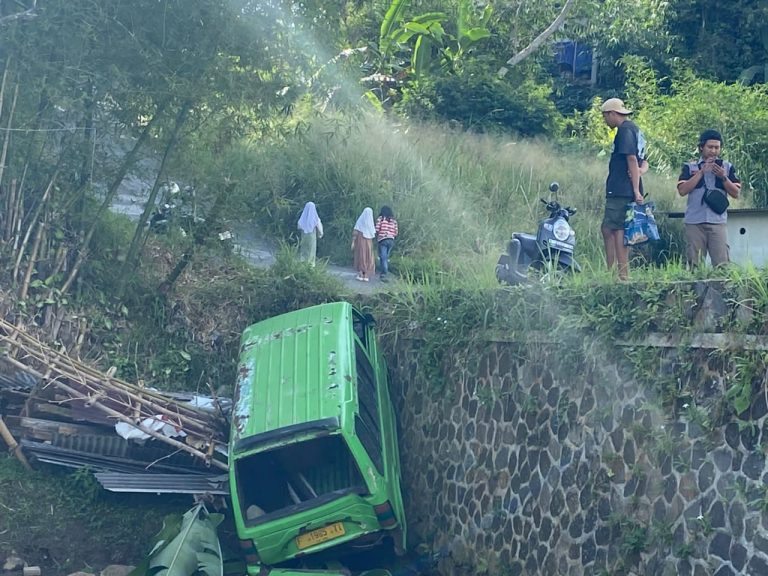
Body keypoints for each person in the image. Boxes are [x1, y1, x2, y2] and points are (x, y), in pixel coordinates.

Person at [600, 97, 648, 281]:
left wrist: (636, 190)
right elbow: (644, 162)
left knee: (614, 229)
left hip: (621, 189)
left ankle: (619, 274)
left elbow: (632, 160)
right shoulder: (636, 130)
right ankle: (616, 272)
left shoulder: (625, 131)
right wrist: (640, 174)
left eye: (605, 117)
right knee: (613, 228)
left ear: (612, 114)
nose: (605, 121)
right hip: (624, 187)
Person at [677, 129, 741, 266]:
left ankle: (721, 288)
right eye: (710, 147)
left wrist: (723, 177)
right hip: (694, 221)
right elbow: (682, 190)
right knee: (695, 264)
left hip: (717, 221)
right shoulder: (690, 167)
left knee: (722, 264)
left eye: (717, 147)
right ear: (701, 147)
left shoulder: (727, 167)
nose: (713, 151)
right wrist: (701, 172)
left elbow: (736, 193)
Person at [375, 206, 399, 282]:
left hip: (383, 239)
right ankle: (384, 270)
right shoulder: (394, 221)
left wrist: (380, 235)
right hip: (391, 240)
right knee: (386, 256)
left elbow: (377, 229)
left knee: (383, 256)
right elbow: (396, 232)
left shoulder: (381, 219)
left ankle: (384, 272)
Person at [352, 207, 376, 281]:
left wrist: (353, 242)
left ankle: (360, 273)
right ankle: (366, 275)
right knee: (368, 257)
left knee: (360, 256)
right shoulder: (371, 226)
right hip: (369, 244)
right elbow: (373, 233)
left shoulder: (360, 222)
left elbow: (355, 232)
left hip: (360, 242)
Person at [297, 202, 323, 266]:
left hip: (304, 236)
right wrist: (320, 234)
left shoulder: (303, 217)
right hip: (312, 236)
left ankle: (302, 262)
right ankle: (311, 265)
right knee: (311, 250)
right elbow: (319, 228)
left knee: (304, 249)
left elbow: (299, 226)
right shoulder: (315, 218)